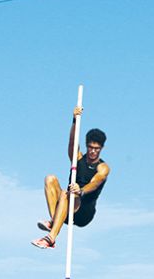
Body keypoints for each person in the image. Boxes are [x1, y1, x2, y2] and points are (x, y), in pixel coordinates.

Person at [31, 106, 110, 249]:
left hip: (84, 212)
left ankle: (51, 238)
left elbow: (96, 183)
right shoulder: (78, 158)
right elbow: (72, 143)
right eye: (90, 147)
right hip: (66, 205)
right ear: (87, 146)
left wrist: (80, 190)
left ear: (101, 148)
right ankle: (54, 221)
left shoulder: (103, 167)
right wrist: (75, 121)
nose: (92, 151)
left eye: (96, 149)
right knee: (50, 179)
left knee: (67, 194)